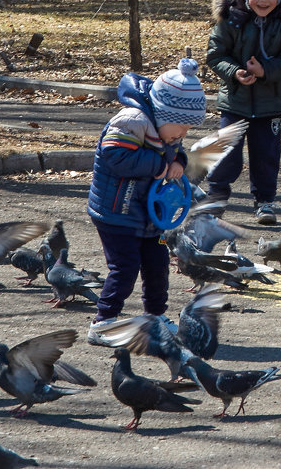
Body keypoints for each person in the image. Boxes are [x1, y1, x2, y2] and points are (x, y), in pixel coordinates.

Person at [85, 56, 207, 345]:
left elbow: (170, 150)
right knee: (124, 268)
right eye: (181, 127)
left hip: (147, 214)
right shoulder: (131, 121)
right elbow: (115, 156)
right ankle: (103, 322)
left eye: (187, 130)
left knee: (157, 264)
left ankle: (155, 316)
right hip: (116, 211)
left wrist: (178, 159)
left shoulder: (166, 130)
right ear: (163, 114)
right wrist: (160, 166)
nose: (183, 134)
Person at [205, 0, 281, 226]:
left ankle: (265, 201)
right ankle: (216, 196)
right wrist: (235, 72)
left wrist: (265, 72)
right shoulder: (231, 20)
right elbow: (215, 55)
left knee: (266, 156)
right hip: (234, 101)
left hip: (269, 103)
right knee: (226, 153)